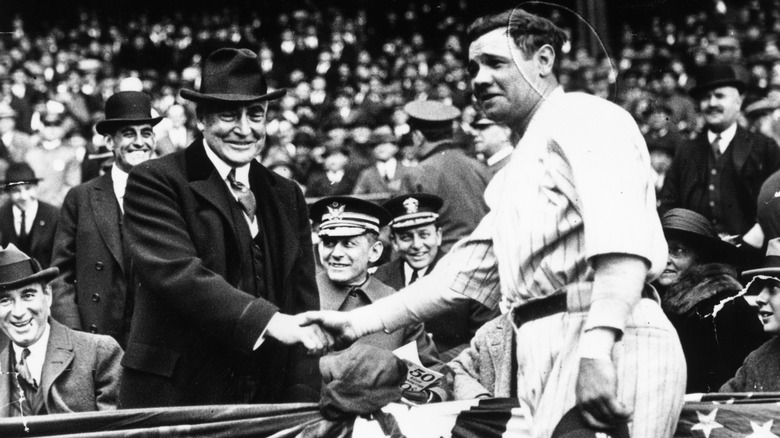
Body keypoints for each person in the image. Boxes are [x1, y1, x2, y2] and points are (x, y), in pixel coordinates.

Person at [304, 8, 686, 437]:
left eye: (496, 62)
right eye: (473, 67)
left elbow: (623, 242)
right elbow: (459, 277)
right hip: (548, 343)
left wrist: (598, 349)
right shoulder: (516, 170)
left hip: (612, 336)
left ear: (544, 60)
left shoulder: (584, 115)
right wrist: (357, 322)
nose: (479, 78)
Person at [119, 48, 331, 408]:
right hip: (178, 398)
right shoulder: (155, 180)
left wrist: (302, 400)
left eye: (256, 115)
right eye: (229, 115)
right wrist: (269, 321)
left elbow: (302, 301)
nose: (244, 129)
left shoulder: (287, 194)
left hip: (267, 399)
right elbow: (178, 274)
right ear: (201, 118)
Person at [49, 91, 162, 348]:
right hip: (96, 340)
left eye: (146, 133)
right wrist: (77, 338)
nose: (139, 142)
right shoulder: (82, 197)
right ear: (110, 142)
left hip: (155, 343)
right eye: (129, 134)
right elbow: (60, 276)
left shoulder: (170, 195)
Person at [311, 196, 440, 369]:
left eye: (348, 243)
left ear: (375, 252)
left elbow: (429, 371)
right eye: (328, 243)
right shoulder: (301, 297)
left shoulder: (397, 303)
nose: (336, 253)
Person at [659, 64, 780, 246]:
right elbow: (668, 204)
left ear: (738, 101)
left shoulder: (764, 147)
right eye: (706, 98)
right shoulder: (686, 150)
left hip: (752, 256)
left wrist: (751, 240)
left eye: (720, 96)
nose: (712, 103)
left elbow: (776, 200)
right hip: (699, 255)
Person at [0, 244, 123, 417]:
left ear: (48, 295)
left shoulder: (100, 353)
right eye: (5, 300)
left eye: (28, 295)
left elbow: (115, 432)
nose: (19, 312)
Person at [374, 193, 499, 361]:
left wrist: (432, 364)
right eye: (406, 237)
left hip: (454, 371)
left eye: (424, 235)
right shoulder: (380, 277)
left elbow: (485, 338)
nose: (417, 245)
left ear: (438, 236)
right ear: (394, 242)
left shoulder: (466, 274)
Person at [657, 208, 765, 393]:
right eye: (661, 249)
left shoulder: (724, 305)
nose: (666, 259)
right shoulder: (655, 302)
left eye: (677, 250)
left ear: (700, 259)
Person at [399, 100, 491, 254]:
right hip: (487, 258)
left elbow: (406, 234)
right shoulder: (479, 167)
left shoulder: (416, 174)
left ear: (418, 136)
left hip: (442, 262)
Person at [720, 238, 780, 392]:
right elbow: (722, 408)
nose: (760, 298)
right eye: (761, 287)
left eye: (773, 288)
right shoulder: (760, 359)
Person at [0, 162, 59, 269]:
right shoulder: (2, 215)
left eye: (28, 188)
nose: (24, 196)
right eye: (16, 191)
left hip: (46, 279)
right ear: (8, 193)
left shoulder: (53, 215)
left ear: (36, 187)